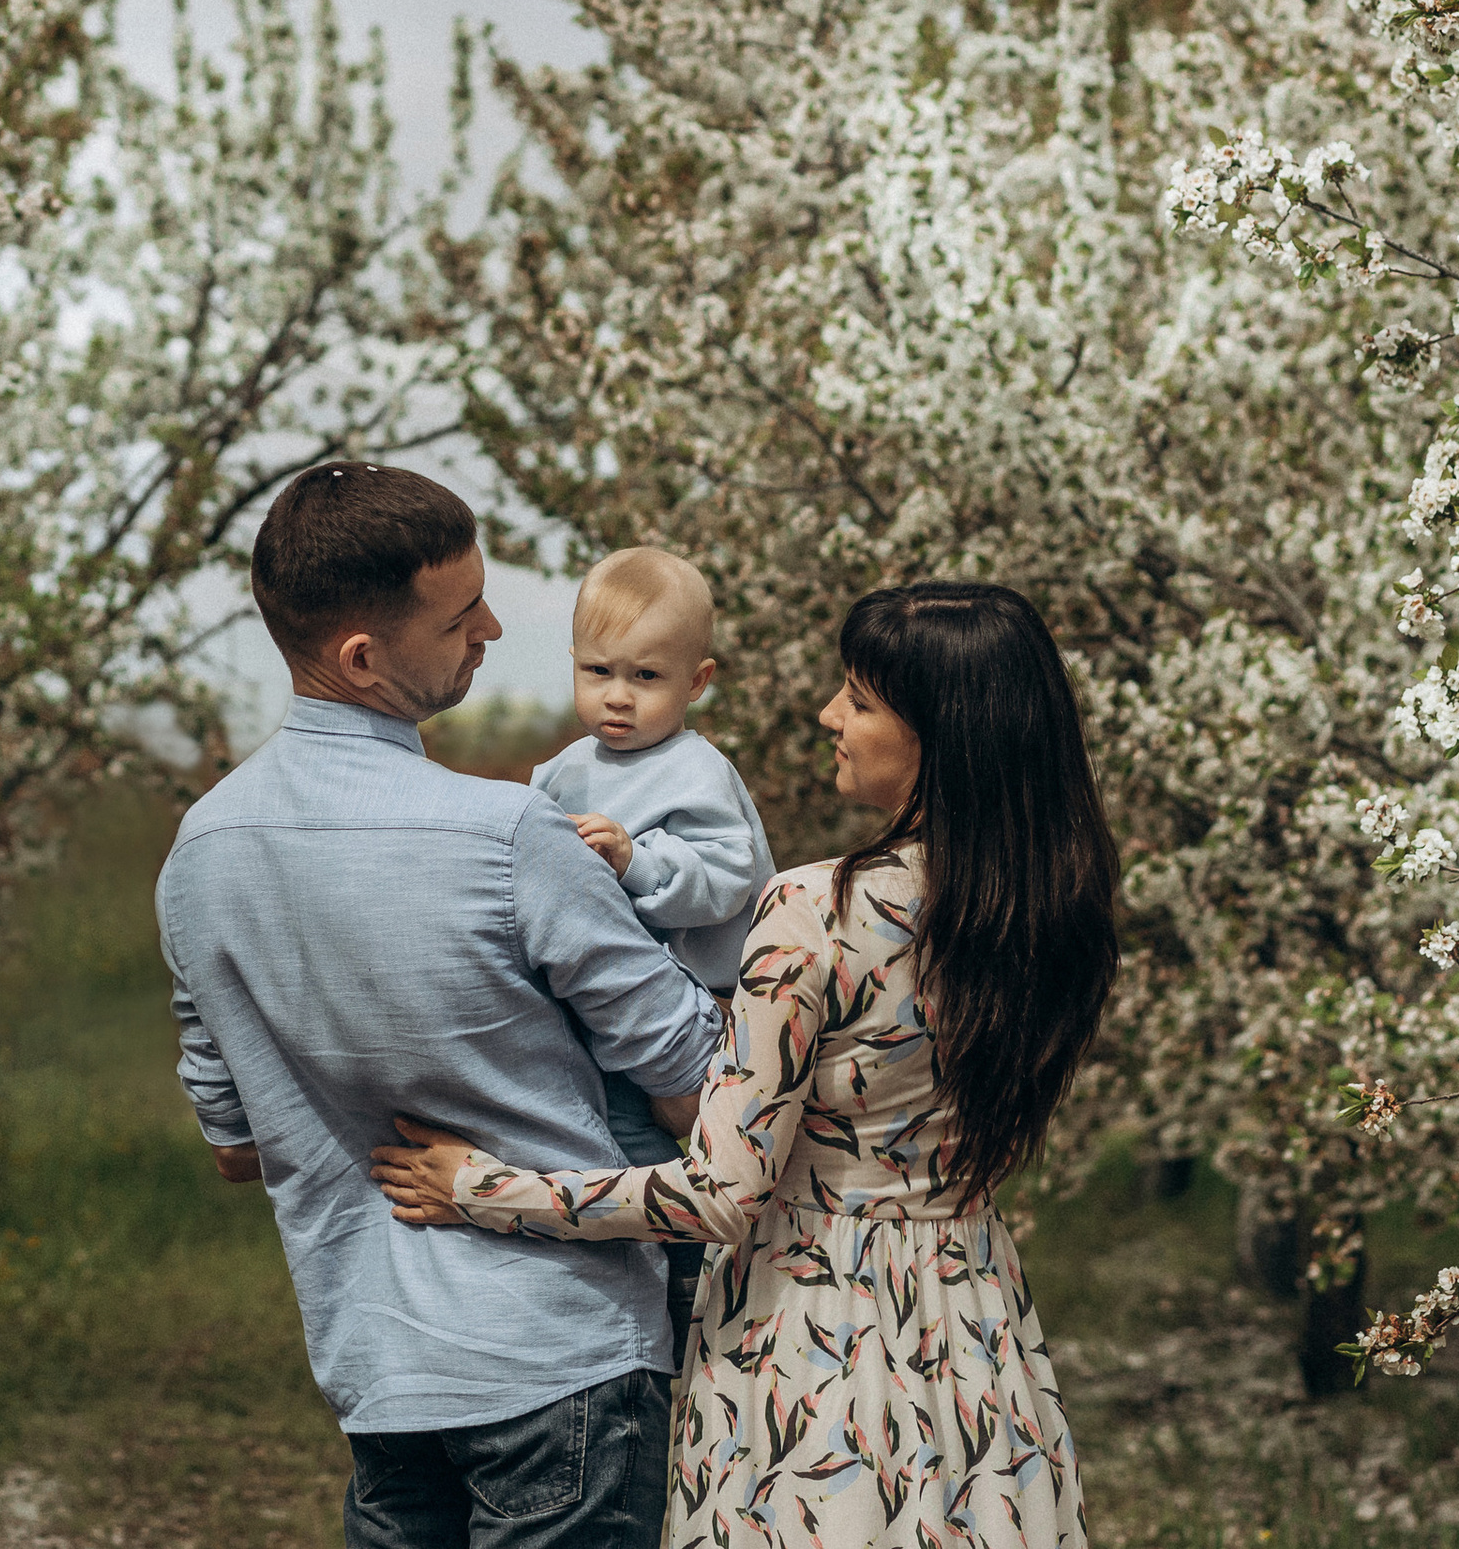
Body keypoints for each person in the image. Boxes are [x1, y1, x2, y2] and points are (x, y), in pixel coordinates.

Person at [372, 580, 1119, 1549]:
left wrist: (484, 1186)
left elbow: (719, 1192)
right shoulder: (1054, 913)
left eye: (857, 696)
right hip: (974, 1325)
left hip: (812, 1340)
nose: (828, 715)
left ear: (941, 730)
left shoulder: (814, 910)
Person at [159, 464, 724, 1548]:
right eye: (462, 614)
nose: (494, 627)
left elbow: (236, 1148)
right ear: (362, 657)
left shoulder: (199, 855)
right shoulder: (508, 837)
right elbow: (695, 1088)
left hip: (377, 1368)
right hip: (567, 1360)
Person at [528, 546, 774, 1362]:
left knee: (667, 1163)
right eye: (599, 671)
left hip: (698, 1008)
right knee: (596, 1140)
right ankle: (607, 1287)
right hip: (601, 1015)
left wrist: (638, 861)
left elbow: (727, 880)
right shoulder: (560, 774)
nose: (618, 698)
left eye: (646, 677)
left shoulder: (697, 771)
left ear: (697, 683)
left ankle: (681, 1293)